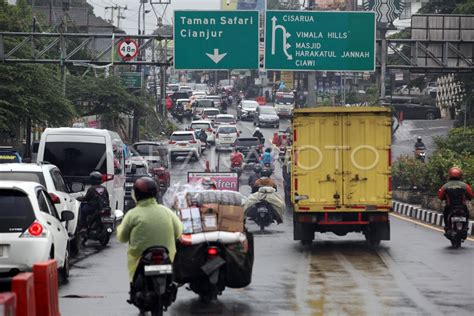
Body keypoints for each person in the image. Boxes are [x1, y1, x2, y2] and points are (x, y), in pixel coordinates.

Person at [117, 177, 183, 294]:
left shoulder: (132, 214)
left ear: (136, 195)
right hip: (166, 256)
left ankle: (134, 288)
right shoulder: (167, 211)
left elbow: (122, 237)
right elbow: (178, 231)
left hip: (140, 258)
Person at [437, 167, 473, 234]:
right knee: (467, 214)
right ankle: (465, 227)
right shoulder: (465, 186)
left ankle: (447, 227)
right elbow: (471, 195)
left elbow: (440, 196)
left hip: (450, 206)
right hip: (462, 206)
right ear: (460, 175)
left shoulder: (445, 186)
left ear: (449, 175)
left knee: (445, 214)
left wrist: (444, 198)